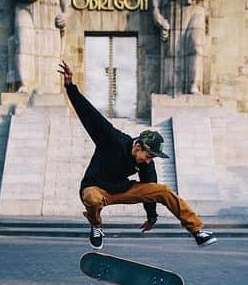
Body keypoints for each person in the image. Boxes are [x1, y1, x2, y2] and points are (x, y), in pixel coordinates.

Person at [57, 60, 217, 249]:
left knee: (163, 191)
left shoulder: (145, 162)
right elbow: (89, 115)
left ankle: (198, 231)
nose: (149, 161)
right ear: (138, 146)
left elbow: (151, 189)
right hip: (96, 188)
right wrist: (70, 87)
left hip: (123, 190)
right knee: (92, 197)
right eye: (148, 156)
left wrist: (151, 217)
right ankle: (96, 225)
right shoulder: (112, 139)